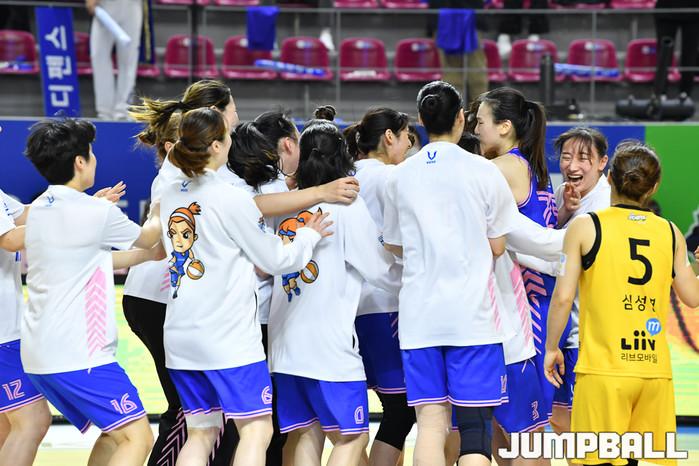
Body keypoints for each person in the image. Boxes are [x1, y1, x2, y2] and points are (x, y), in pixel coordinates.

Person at [159, 108, 332, 466]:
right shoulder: (230, 197)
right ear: (216, 145)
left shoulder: (172, 192)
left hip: (180, 333)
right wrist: (308, 235)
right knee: (256, 429)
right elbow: (276, 259)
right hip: (227, 336)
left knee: (201, 433)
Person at [383, 81, 521, 466]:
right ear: (461, 118)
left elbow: (393, 244)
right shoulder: (484, 171)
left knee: (430, 426)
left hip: (419, 319)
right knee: (475, 428)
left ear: (421, 119)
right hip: (472, 318)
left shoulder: (400, 175)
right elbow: (498, 245)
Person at [544, 140, 699, 466]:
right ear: (654, 187)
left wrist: (551, 347)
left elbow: (563, 297)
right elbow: (693, 298)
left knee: (596, 460)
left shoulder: (586, 226)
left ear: (610, 177)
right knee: (631, 459)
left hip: (603, 371)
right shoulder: (670, 232)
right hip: (652, 372)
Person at [22, 117, 164, 466]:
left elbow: (95, 260)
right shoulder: (94, 211)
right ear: (80, 162)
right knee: (137, 437)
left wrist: (148, 256)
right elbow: (149, 235)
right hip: (80, 355)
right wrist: (162, 205)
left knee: (115, 435)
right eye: (92, 152)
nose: (95, 158)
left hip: (41, 354)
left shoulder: (40, 207)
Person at [268, 119, 401, 466]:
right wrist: (420, 274)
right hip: (328, 348)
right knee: (352, 438)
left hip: (284, 347)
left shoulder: (287, 204)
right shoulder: (346, 206)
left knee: (306, 435)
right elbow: (381, 271)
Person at [127, 79, 242, 466]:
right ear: (217, 114)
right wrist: (316, 193)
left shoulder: (192, 165)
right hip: (159, 296)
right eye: (233, 108)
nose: (237, 116)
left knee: (200, 409)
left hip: (159, 294)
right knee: (190, 408)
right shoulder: (190, 169)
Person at [474, 88, 569, 436]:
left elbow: (517, 238)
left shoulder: (501, 168)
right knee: (509, 427)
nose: (475, 130)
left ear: (504, 126)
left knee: (528, 430)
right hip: (536, 296)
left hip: (531, 305)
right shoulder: (524, 164)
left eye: (480, 122)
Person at [343, 108, 415, 466]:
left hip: (350, 305)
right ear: (389, 137)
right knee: (402, 411)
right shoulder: (391, 177)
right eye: (405, 137)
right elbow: (401, 240)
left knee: (368, 413)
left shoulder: (346, 175)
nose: (408, 145)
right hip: (387, 302)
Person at [549, 127, 610, 438]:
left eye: (583, 158)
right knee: (561, 419)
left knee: (582, 423)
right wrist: (565, 211)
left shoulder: (607, 204)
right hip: (565, 329)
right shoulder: (564, 193)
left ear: (602, 163)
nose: (572, 166)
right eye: (566, 157)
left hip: (589, 333)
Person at [0, 189, 51, 466]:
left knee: (7, 427)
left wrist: (77, 201)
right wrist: (68, 215)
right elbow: (10, 239)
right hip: (2, 334)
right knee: (32, 420)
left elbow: (22, 215)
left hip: (7, 328)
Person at [85, 0, 143, 120]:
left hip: (132, 5)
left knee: (128, 59)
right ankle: (104, 111)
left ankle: (123, 110)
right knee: (98, 55)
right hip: (105, 4)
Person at [655, 0, 699, 98]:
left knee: (690, 55)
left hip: (693, 11)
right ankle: (660, 94)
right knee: (664, 54)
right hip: (666, 11)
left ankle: (685, 94)